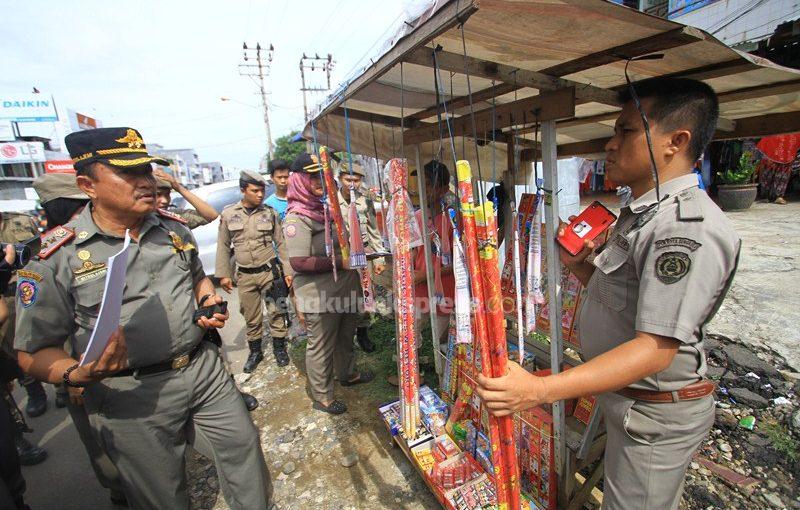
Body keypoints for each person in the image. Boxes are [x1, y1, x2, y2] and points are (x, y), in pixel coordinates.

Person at [476, 78, 740, 510]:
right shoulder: (639, 215)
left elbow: (656, 349)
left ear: (676, 142)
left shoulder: (683, 228)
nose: (611, 145)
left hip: (654, 416)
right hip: (629, 403)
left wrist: (539, 391)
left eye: (626, 131)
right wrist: (579, 266)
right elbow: (624, 299)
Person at [15, 127, 272, 509]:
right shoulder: (56, 257)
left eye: (147, 171)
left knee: (243, 452)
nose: (147, 183)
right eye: (129, 173)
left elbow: (196, 277)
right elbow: (31, 352)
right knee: (162, 495)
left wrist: (207, 299)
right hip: (128, 394)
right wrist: (77, 375)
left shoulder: (171, 229)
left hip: (204, 371)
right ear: (88, 184)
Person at [28, 173, 127, 505]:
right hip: (82, 374)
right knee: (106, 453)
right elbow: (35, 343)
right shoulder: (48, 255)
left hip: (125, 371)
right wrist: (71, 375)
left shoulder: (114, 238)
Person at [283, 153, 373, 415]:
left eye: (323, 174)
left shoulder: (324, 209)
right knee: (321, 344)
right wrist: (340, 264)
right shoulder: (297, 217)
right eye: (313, 176)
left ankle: (347, 374)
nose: (320, 181)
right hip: (319, 294)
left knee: (346, 336)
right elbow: (299, 261)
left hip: (344, 288)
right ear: (300, 180)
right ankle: (322, 396)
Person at [216, 170, 290, 370]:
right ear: (243, 190)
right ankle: (255, 352)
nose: (260, 195)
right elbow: (223, 246)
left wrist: (288, 271)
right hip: (245, 275)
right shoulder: (229, 214)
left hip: (269, 272)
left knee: (276, 311)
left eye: (262, 191)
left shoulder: (270, 213)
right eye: (255, 190)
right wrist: (223, 274)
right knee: (251, 315)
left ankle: (279, 349)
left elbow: (281, 243)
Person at [0, 211, 48, 418]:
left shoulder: (21, 220)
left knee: (52, 332)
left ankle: (65, 385)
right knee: (16, 346)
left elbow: (43, 248)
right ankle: (33, 389)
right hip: (6, 297)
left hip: (36, 286)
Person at [336, 160, 386, 353]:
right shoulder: (333, 203)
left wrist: (380, 258)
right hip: (343, 259)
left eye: (356, 180)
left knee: (366, 296)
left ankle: (363, 333)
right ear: (340, 178)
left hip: (364, 257)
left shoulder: (365, 202)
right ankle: (345, 335)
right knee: (344, 298)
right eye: (348, 179)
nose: (352, 184)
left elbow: (374, 230)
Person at [412, 160, 455, 349]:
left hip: (445, 290)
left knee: (443, 342)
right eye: (422, 184)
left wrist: (427, 274)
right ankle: (411, 373)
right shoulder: (416, 218)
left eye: (429, 184)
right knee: (410, 334)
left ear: (444, 188)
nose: (424, 189)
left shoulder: (454, 220)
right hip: (419, 287)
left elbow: (461, 263)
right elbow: (413, 252)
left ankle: (442, 376)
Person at [153, 168, 219, 227]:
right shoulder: (143, 221)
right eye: (158, 195)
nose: (165, 200)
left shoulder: (174, 216)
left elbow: (212, 215)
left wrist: (178, 187)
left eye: (167, 194)